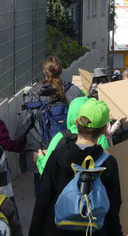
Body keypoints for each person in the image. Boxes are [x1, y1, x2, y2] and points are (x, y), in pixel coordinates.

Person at [28, 98, 123, 236]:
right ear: (103, 130)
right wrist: (114, 235)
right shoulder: (109, 162)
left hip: (60, 235)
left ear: (77, 121)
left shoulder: (58, 156)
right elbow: (114, 202)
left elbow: (43, 199)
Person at [15, 56, 83, 197]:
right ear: (62, 70)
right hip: (66, 149)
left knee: (42, 191)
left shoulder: (33, 93)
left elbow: (24, 122)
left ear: (44, 71)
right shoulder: (73, 91)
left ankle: (44, 216)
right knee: (66, 188)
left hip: (39, 150)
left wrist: (18, 142)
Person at [35, 96, 110, 175]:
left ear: (76, 121)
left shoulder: (60, 137)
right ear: (104, 129)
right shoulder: (102, 139)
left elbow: (45, 171)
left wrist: (39, 159)